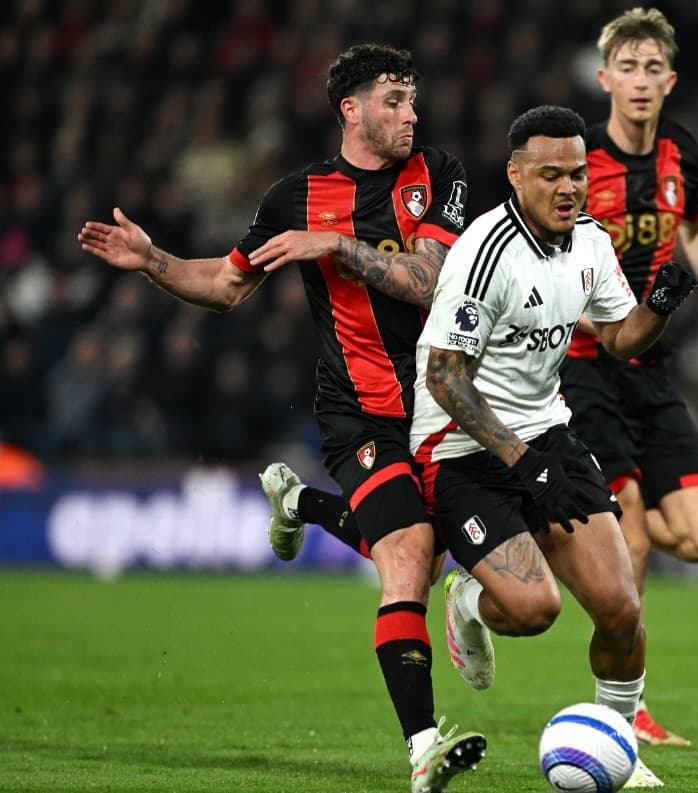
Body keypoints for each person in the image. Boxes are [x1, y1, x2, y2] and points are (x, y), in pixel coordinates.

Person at [78, 43, 484, 793]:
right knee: (408, 553)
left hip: (439, 399)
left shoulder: (442, 175)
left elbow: (429, 282)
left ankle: (298, 501)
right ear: (351, 110)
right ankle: (425, 747)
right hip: (357, 409)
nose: (411, 113)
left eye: (413, 99)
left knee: (425, 557)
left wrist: (335, 244)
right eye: (394, 100)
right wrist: (156, 259)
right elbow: (228, 285)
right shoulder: (294, 196)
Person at [412, 105, 697, 790]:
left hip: (546, 431)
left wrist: (656, 305)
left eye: (577, 174)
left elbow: (622, 338)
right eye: (550, 175)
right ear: (515, 175)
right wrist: (521, 460)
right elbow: (444, 377)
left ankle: (619, 749)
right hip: (461, 448)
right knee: (535, 610)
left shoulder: (591, 242)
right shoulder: (485, 254)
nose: (568, 188)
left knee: (622, 610)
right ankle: (468, 601)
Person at [559, 7, 698, 747]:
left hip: (652, 367)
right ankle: (621, 715)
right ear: (605, 78)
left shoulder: (683, 154)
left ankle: (568, 539)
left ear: (669, 82)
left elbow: (696, 224)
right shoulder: (576, 163)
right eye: (627, 69)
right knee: (632, 537)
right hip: (584, 365)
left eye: (652, 70)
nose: (640, 82)